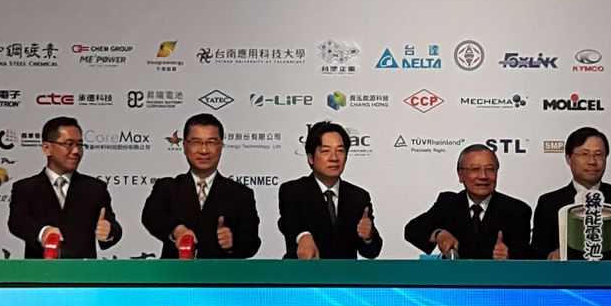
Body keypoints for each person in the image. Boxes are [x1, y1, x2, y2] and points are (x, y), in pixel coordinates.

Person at [142, 113, 260, 258]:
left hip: (222, 272)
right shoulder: (168, 188)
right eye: (196, 142)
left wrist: (232, 243)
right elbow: (151, 216)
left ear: (221, 146)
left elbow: (252, 243)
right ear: (185, 146)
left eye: (211, 142)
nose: (204, 150)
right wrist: (178, 231)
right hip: (176, 271)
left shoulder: (241, 194)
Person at [8, 116, 121, 258]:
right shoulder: (26, 188)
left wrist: (109, 231)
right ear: (47, 148)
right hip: (40, 269)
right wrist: (43, 233)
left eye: (79, 144)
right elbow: (17, 221)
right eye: (69, 144)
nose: (76, 151)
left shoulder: (95, 188)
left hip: (83, 270)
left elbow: (112, 224)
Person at [530, 127, 611, 260]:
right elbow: (536, 253)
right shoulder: (549, 203)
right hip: (563, 273)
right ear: (568, 158)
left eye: (598, 154)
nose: (592, 161)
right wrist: (554, 256)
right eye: (584, 154)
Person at [405, 144, 531, 259]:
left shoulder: (517, 210)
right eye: (475, 169)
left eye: (490, 169)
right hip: (455, 275)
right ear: (460, 175)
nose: (483, 176)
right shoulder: (449, 203)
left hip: (496, 275)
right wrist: (438, 234)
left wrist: (509, 257)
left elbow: (527, 258)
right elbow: (412, 230)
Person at [278, 121, 382, 259]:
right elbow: (289, 223)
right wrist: (303, 236)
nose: (334, 158)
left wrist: (368, 236)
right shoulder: (292, 192)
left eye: (340, 151)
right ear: (311, 158)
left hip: (344, 272)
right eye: (325, 151)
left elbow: (371, 252)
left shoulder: (358, 197)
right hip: (304, 271)